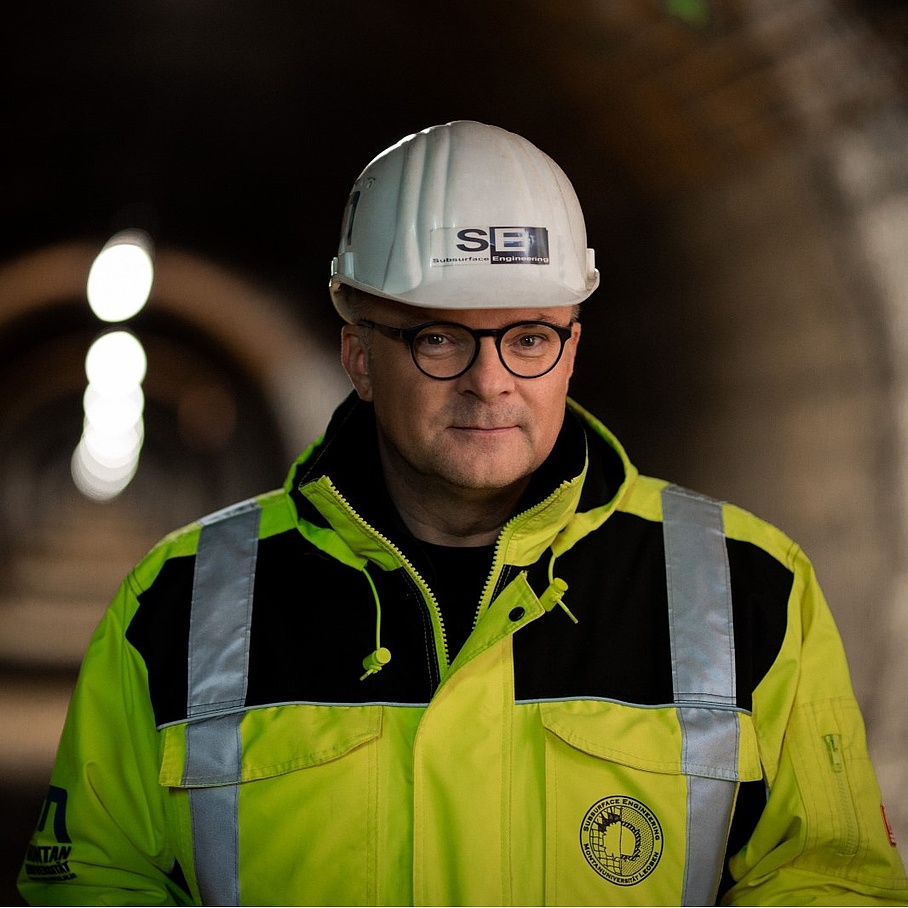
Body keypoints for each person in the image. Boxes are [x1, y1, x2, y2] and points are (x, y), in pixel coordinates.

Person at [18, 120, 908, 907]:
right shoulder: (175, 604)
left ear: (571, 351)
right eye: (438, 337)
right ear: (359, 355)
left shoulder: (747, 590)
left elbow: (824, 881)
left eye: (528, 337)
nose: (490, 383)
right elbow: (98, 884)